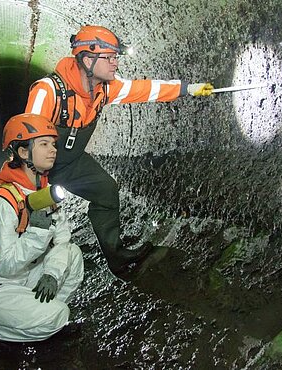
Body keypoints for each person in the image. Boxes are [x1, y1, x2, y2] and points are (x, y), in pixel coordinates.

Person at [24, 25, 213, 275]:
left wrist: (187, 88)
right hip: (37, 169)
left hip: (71, 162)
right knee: (33, 217)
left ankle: (117, 258)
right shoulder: (48, 91)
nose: (115, 64)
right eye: (110, 58)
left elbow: (145, 89)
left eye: (116, 58)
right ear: (88, 59)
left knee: (106, 190)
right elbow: (26, 140)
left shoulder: (105, 88)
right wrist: (31, 192)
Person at [0, 113, 84, 354]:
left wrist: (52, 275)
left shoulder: (44, 192)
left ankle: (39, 320)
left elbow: (63, 240)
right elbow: (6, 265)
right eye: (44, 144)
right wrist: (37, 230)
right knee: (58, 315)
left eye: (53, 144)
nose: (53, 150)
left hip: (19, 278)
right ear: (24, 153)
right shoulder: (1, 202)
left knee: (73, 254)